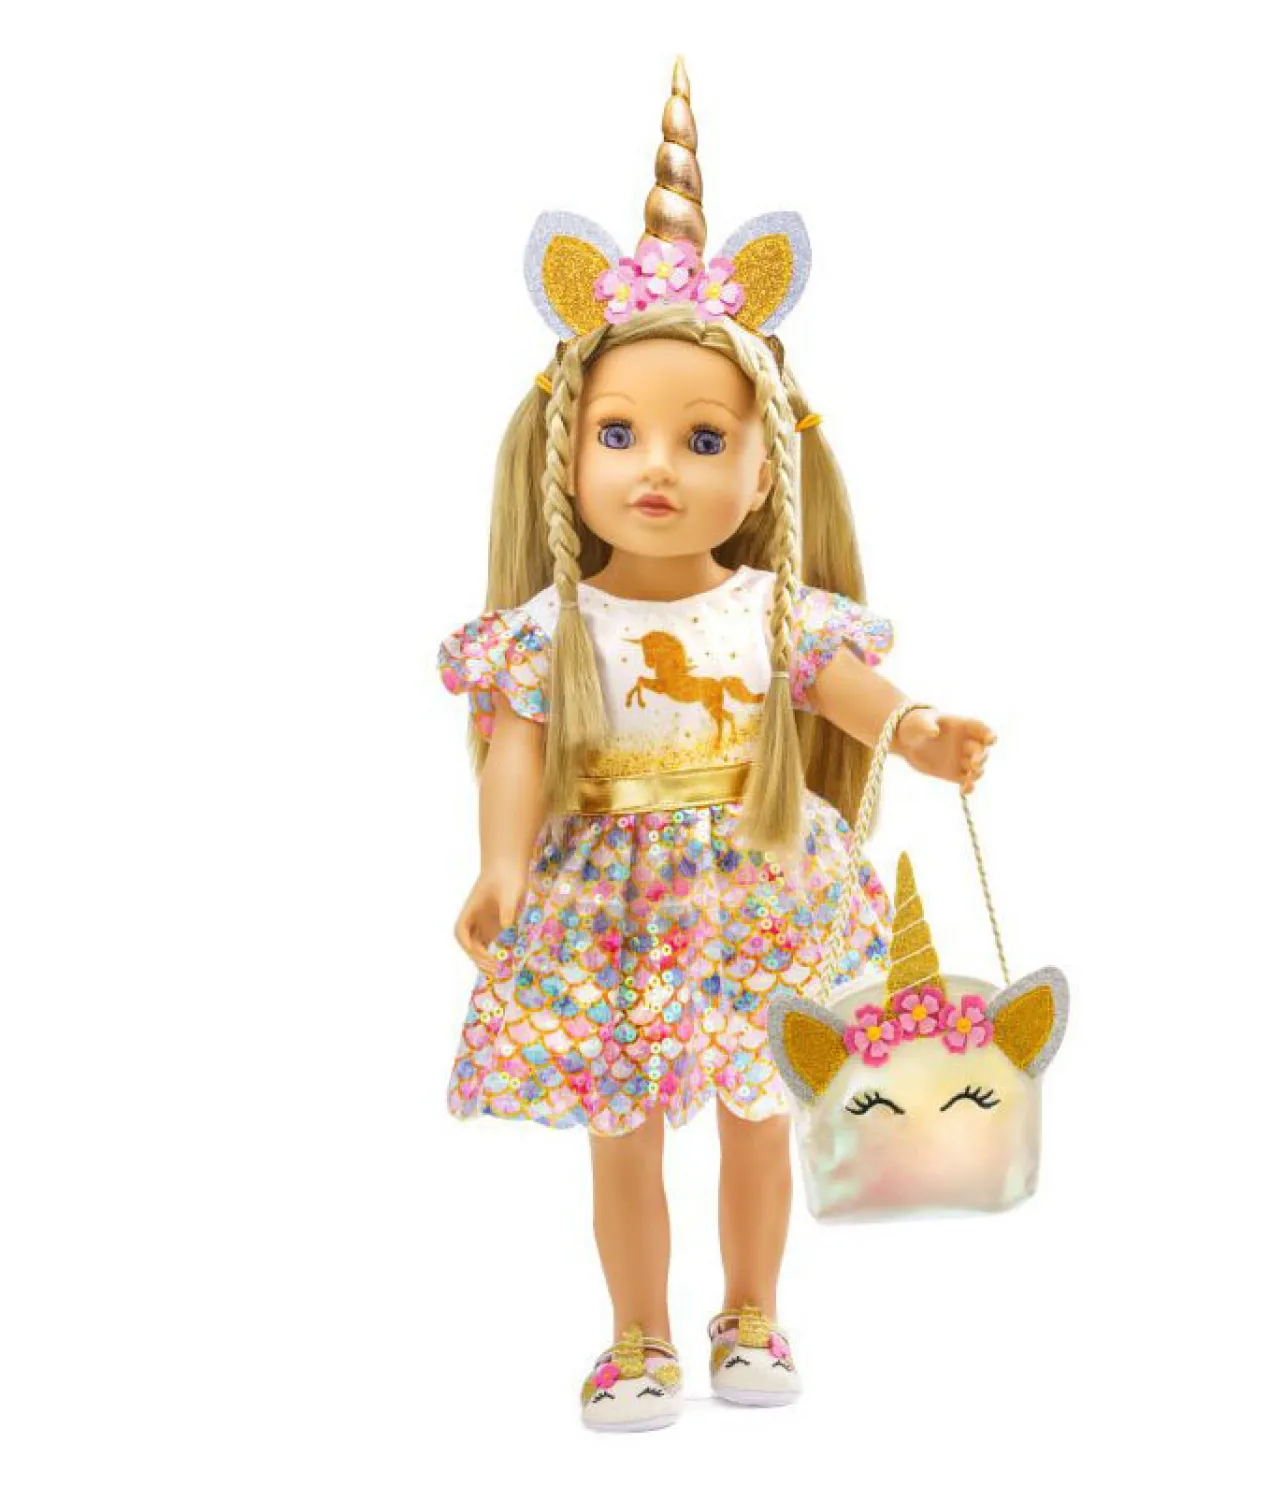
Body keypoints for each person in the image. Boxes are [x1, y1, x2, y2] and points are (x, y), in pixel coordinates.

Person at [436, 58, 994, 1432]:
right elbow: (516, 751)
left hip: (762, 882)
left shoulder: (771, 608)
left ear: (764, 466)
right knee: (621, 1131)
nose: (657, 468)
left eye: (702, 438)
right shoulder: (551, 628)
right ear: (566, 452)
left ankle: (751, 1312)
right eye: (620, 433)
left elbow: (844, 691)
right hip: (607, 901)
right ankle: (636, 1335)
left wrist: (916, 731)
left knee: (760, 1115)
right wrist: (501, 864)